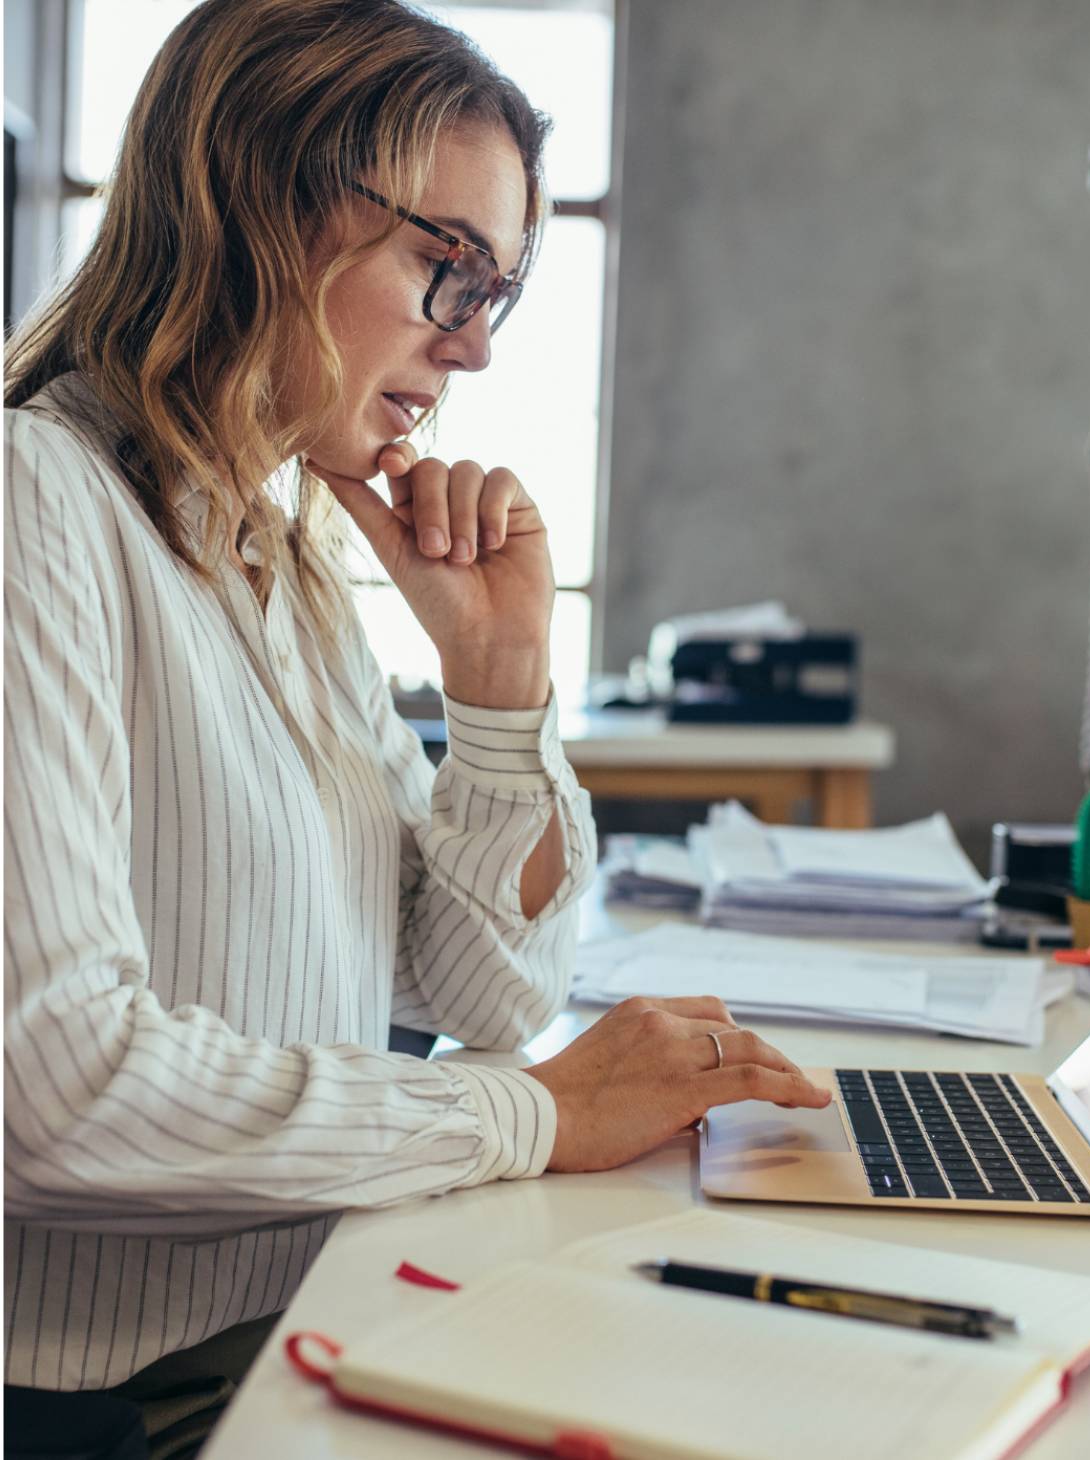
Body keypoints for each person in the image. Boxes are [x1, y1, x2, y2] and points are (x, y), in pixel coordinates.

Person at [4, 1, 830, 1452]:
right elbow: (54, 1091)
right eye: (450, 272)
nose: (477, 353)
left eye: (495, 295)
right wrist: (533, 1118)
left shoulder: (277, 555)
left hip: (303, 1320)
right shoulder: (34, 502)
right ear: (259, 202)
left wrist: (500, 686)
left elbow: (481, 991)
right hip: (111, 1406)